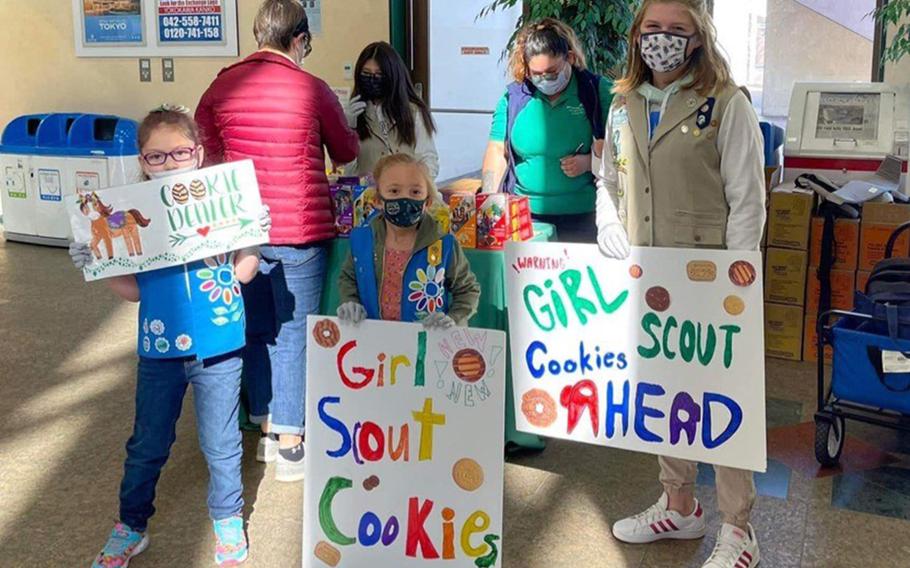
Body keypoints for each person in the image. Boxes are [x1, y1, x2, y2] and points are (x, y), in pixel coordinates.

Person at [595, 1, 766, 567]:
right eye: (652, 28)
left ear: (698, 38)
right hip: (648, 277)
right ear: (636, 36)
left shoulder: (726, 104)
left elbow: (747, 198)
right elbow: (608, 180)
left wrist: (737, 276)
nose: (661, 39)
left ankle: (738, 530)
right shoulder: (624, 103)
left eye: (676, 29)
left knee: (722, 397)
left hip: (711, 278)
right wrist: (608, 222)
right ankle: (679, 503)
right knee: (666, 392)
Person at [69, 106, 269, 567]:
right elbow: (134, 293)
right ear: (142, 160)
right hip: (160, 349)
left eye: (179, 152)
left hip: (219, 347)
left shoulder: (220, 206)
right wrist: (99, 264)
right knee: (147, 442)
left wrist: (253, 235)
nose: (169, 162)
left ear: (198, 154)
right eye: (156, 156)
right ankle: (131, 525)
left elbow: (242, 274)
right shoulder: (134, 211)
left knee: (221, 443)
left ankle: (227, 519)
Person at [195, 0, 359, 482]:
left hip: (239, 228)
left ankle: (265, 423)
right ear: (300, 40)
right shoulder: (311, 88)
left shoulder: (221, 85)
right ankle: (291, 443)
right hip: (299, 228)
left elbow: (209, 157)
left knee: (253, 327)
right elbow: (346, 150)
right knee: (293, 334)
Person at [481, 18, 613, 243]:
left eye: (552, 72)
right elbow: (496, 151)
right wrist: (489, 203)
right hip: (524, 216)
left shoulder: (597, 92)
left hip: (584, 217)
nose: (544, 79)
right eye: (536, 73)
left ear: (570, 58)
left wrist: (589, 162)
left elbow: (622, 152)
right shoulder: (514, 98)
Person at [337, 154, 480, 327]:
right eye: (394, 191)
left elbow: (467, 289)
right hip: (374, 341)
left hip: (426, 342)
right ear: (378, 201)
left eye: (415, 192)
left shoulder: (444, 244)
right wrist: (350, 302)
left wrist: (454, 318)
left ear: (427, 202)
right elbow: (348, 278)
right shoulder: (361, 241)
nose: (405, 198)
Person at [344, 42, 439, 179]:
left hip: (408, 194)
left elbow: (429, 160)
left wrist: (414, 184)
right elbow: (348, 171)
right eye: (366, 73)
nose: (372, 80)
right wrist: (347, 130)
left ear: (393, 76)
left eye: (379, 75)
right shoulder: (356, 113)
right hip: (370, 196)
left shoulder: (413, 112)